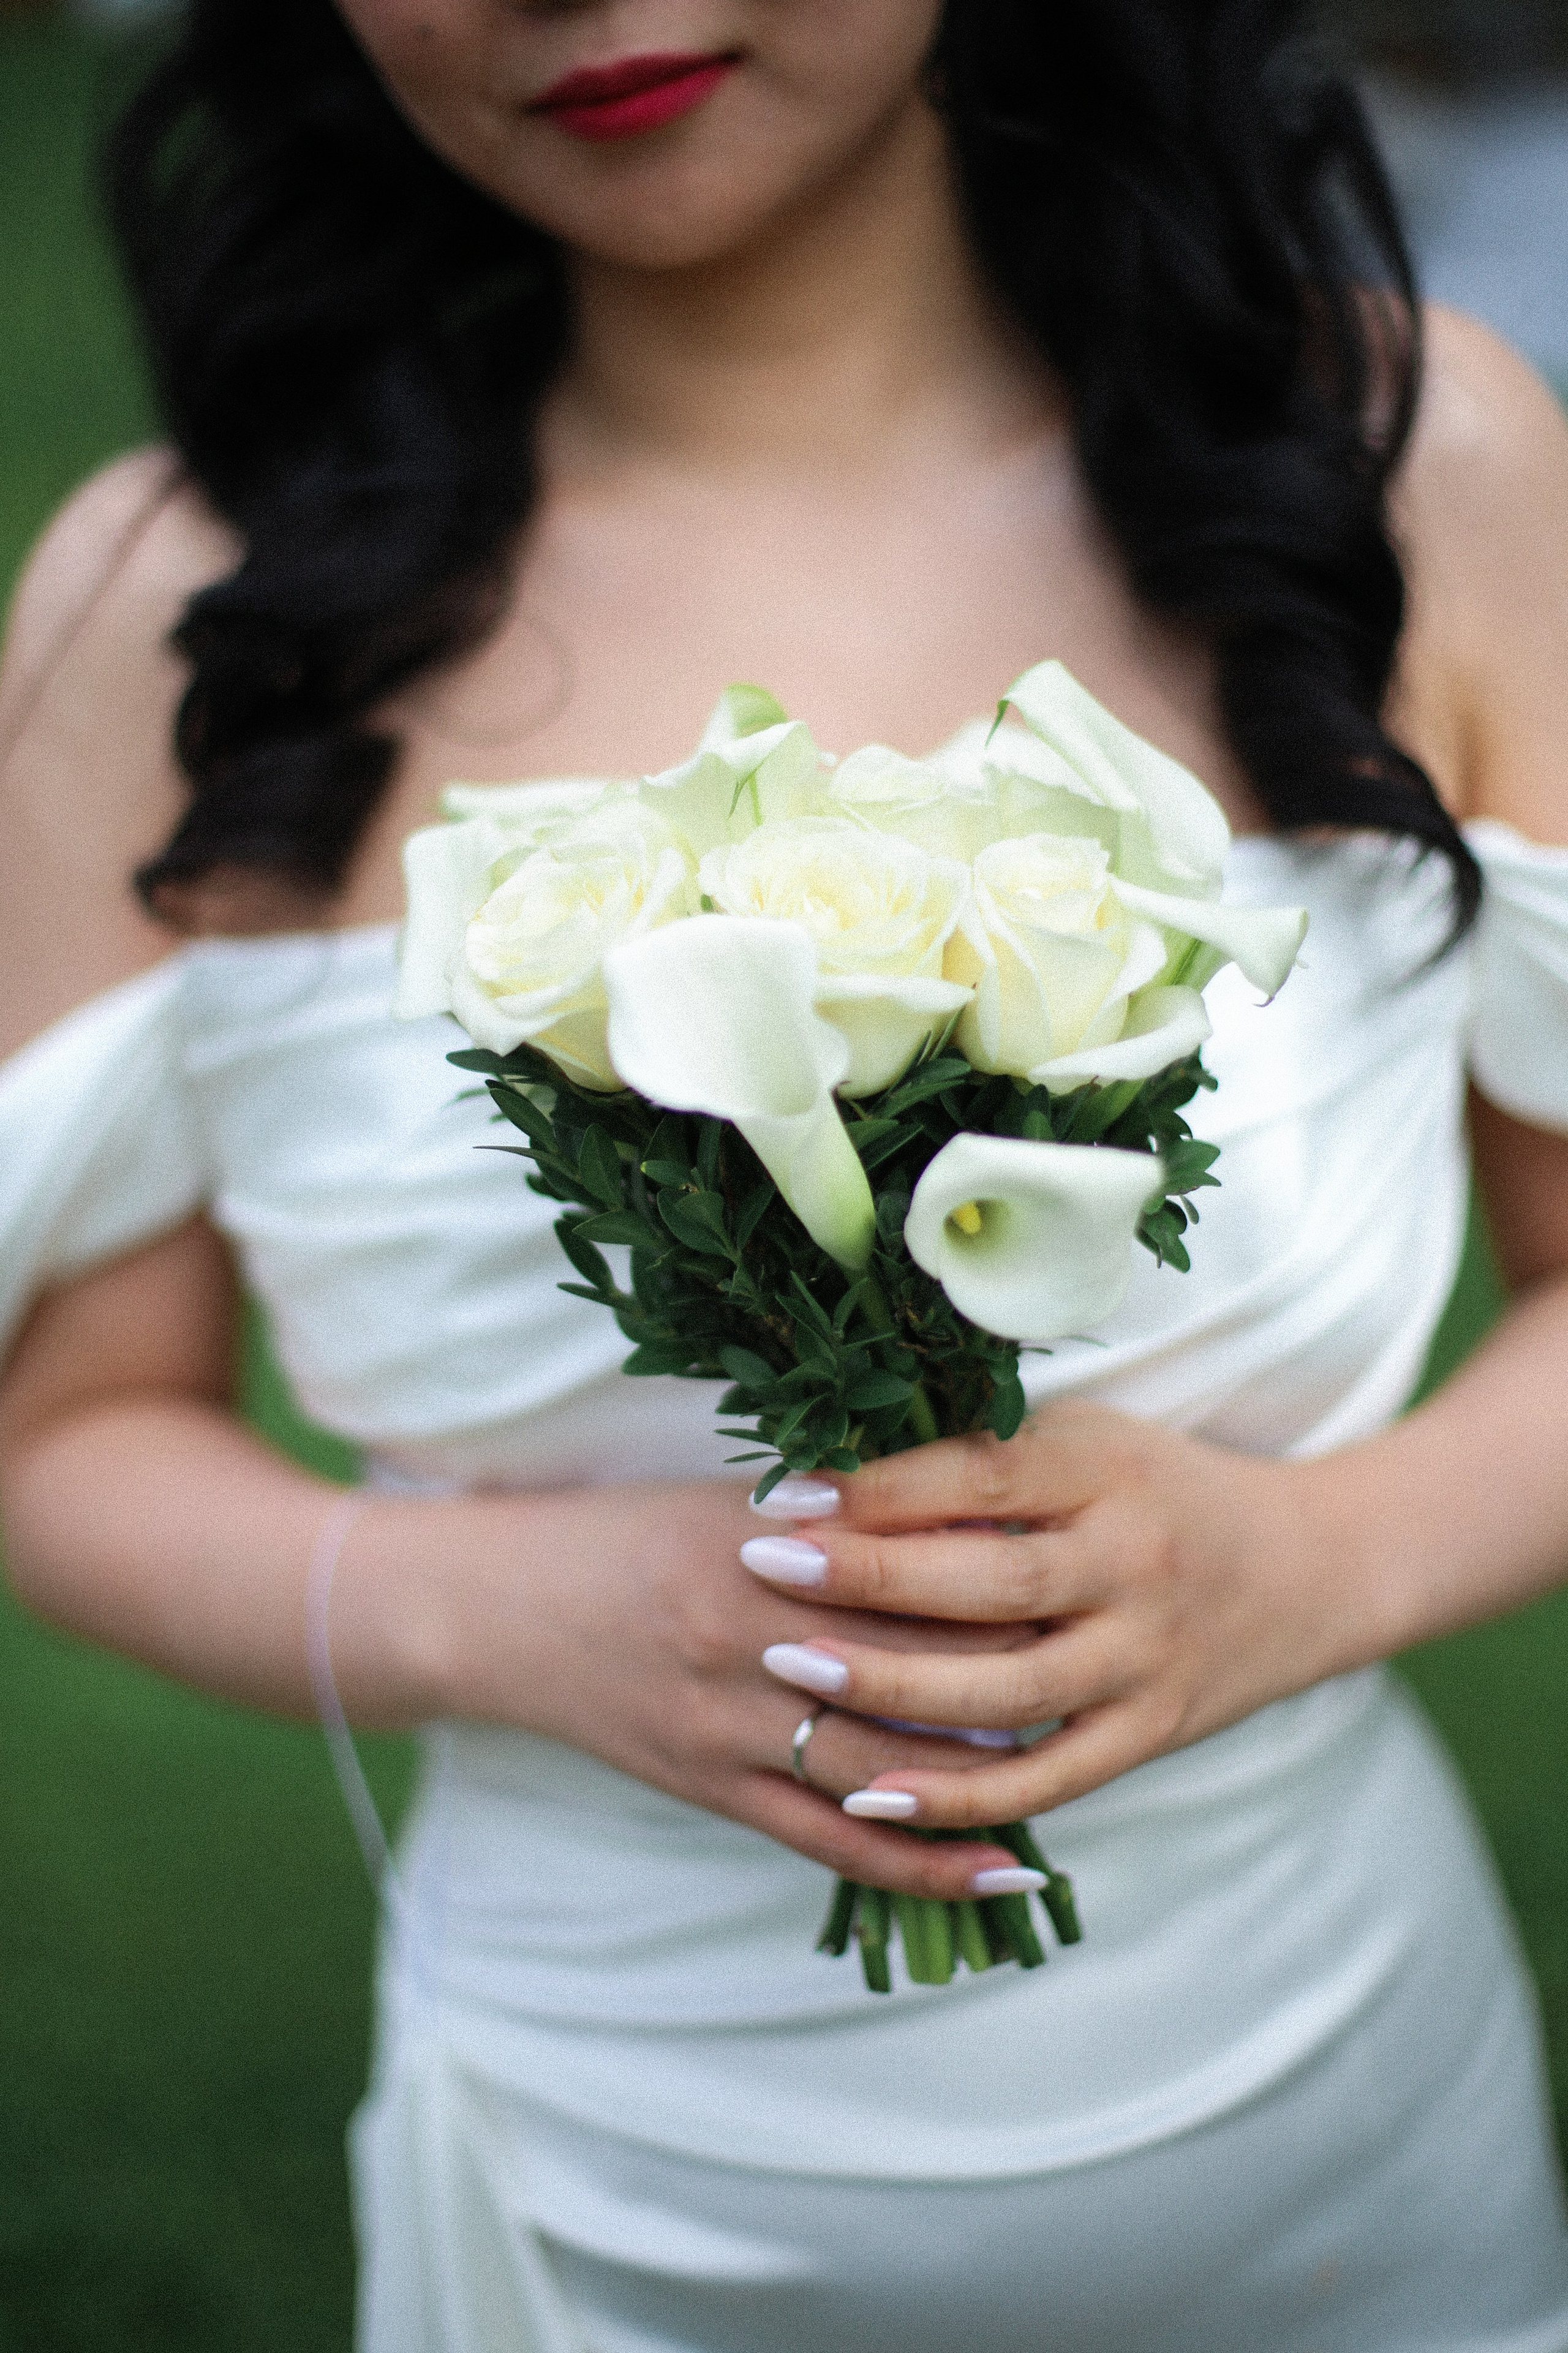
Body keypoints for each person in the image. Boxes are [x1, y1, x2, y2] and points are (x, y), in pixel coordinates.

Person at [2, 2, 1567, 2346]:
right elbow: (63, 1428)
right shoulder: (180, 613)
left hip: (1349, 2135)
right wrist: (514, 1617)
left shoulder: (1392, 465)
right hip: (608, 2186)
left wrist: (1307, 1565)